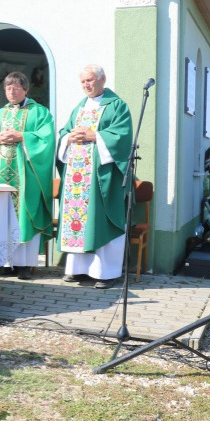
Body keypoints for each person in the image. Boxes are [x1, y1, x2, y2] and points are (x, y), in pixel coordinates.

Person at [57, 64, 133, 289]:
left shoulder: (117, 105)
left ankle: (106, 273)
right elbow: (64, 132)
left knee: (100, 220)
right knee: (79, 220)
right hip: (77, 176)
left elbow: (122, 136)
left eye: (89, 80)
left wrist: (95, 135)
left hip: (102, 175)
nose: (86, 85)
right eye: (83, 82)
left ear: (102, 79)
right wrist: (68, 138)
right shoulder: (79, 108)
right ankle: (77, 269)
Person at [0, 72, 55, 280]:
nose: (11, 92)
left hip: (27, 176)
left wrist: (22, 136)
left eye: (16, 88)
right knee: (2, 215)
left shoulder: (39, 112)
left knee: (24, 215)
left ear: (26, 90)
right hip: (1, 175)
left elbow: (46, 140)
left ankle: (25, 265)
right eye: (8, 88)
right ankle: (5, 262)